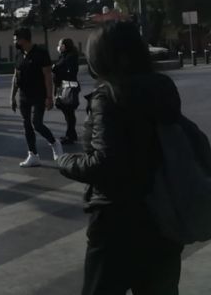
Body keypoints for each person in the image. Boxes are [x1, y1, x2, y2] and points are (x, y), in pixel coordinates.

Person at [57, 21, 184, 294]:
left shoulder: (109, 95)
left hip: (116, 219)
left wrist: (65, 162)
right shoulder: (163, 86)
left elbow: (106, 163)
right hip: (164, 211)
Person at [10, 28, 63, 167]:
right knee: (26, 124)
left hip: (39, 94)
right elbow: (16, 76)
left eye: (16, 39)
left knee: (37, 123)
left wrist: (49, 97)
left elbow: (48, 76)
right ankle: (33, 155)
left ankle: (54, 143)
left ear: (23, 39)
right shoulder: (19, 55)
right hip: (24, 95)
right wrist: (12, 96)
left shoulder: (41, 53)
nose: (14, 42)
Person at [52, 38, 80, 144]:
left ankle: (71, 135)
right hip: (60, 86)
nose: (58, 47)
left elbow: (70, 72)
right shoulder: (64, 56)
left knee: (69, 111)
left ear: (64, 46)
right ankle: (71, 134)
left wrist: (56, 69)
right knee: (63, 108)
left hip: (68, 87)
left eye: (60, 45)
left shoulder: (70, 57)